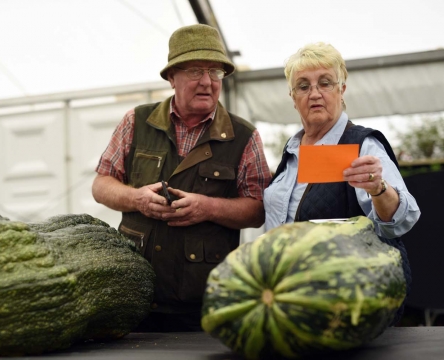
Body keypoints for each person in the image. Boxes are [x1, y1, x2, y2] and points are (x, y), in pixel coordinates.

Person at [92, 24, 271, 331]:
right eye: (196, 71)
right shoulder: (137, 121)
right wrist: (137, 199)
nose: (207, 82)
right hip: (132, 296)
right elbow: (101, 185)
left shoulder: (244, 136)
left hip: (205, 305)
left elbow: (258, 210)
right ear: (172, 77)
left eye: (215, 72)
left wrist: (208, 207)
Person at [264, 42, 421, 324]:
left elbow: (401, 219)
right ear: (292, 96)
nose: (314, 94)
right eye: (303, 86)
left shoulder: (363, 144)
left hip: (351, 301)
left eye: (325, 83)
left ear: (341, 89)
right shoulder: (292, 151)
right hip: (294, 297)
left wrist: (379, 188)